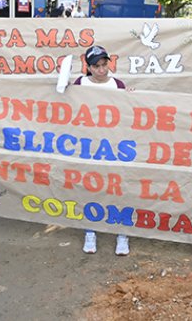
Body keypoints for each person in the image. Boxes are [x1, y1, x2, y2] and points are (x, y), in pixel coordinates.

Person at [73, 45, 130, 256]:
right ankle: (91, 231)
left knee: (118, 189)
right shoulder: (80, 84)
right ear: (88, 67)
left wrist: (132, 99)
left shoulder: (119, 85)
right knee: (91, 187)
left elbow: (130, 114)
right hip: (89, 146)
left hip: (115, 146)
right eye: (96, 66)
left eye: (104, 65)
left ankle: (122, 234)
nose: (102, 70)